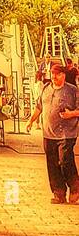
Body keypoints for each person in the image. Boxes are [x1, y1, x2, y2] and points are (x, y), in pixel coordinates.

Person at [27, 60, 79, 204]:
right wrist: (31, 121)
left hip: (67, 134)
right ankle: (59, 193)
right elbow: (39, 107)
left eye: (58, 74)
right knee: (52, 164)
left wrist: (72, 114)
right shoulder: (45, 88)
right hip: (48, 133)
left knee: (65, 161)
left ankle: (75, 188)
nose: (54, 77)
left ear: (63, 75)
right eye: (52, 74)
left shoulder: (73, 90)